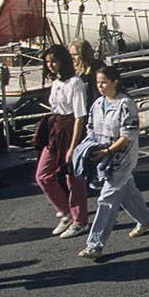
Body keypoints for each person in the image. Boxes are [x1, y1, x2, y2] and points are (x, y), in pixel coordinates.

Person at [79, 63, 149, 261]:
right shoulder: (97, 104)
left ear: (115, 82)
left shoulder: (126, 104)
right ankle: (145, 220)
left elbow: (127, 136)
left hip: (122, 158)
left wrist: (108, 151)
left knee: (107, 199)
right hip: (104, 158)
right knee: (127, 191)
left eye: (104, 82)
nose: (100, 86)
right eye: (98, 83)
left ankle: (95, 244)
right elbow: (90, 129)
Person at [37, 45, 88, 239]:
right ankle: (66, 212)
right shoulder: (56, 83)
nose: (50, 65)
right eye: (48, 62)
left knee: (73, 177)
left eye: (54, 61)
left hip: (70, 129)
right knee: (43, 175)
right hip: (56, 130)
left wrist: (73, 146)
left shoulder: (76, 83)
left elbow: (79, 116)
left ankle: (80, 220)